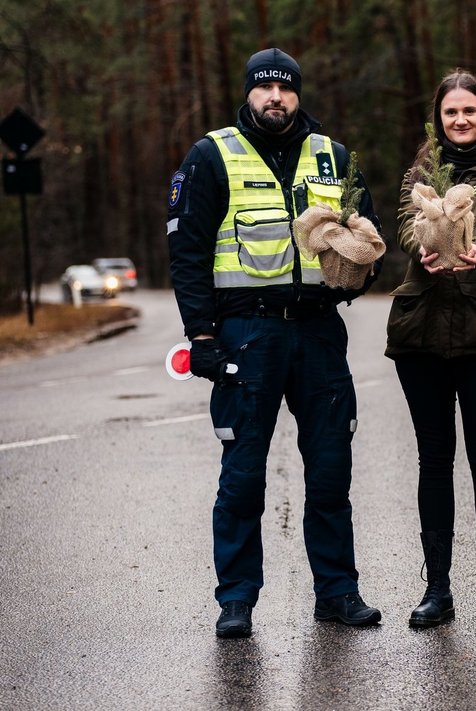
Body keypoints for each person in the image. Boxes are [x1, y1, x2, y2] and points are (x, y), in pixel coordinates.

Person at [167, 48, 383, 638]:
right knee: (242, 474)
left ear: (297, 94)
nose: (275, 99)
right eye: (264, 89)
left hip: (317, 331)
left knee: (332, 469)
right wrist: (201, 335)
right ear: (249, 94)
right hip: (246, 334)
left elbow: (368, 234)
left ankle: (338, 592)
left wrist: (362, 265)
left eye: (285, 89)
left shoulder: (332, 157)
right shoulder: (213, 155)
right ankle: (236, 599)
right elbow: (186, 255)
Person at [385, 69, 476, 630]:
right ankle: (438, 589)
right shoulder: (418, 174)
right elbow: (405, 226)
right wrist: (423, 247)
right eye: (451, 112)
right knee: (433, 459)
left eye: (470, 110)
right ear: (439, 118)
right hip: (421, 330)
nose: (461, 120)